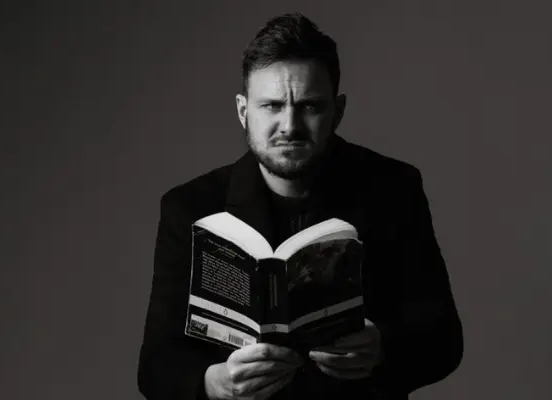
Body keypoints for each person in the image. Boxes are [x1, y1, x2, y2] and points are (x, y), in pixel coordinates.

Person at [137, 12, 464, 400]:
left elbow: (444, 340)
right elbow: (156, 366)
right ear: (243, 111)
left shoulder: (393, 189)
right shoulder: (190, 207)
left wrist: (382, 348)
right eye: (271, 106)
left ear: (337, 111)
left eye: (309, 106)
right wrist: (215, 383)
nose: (289, 126)